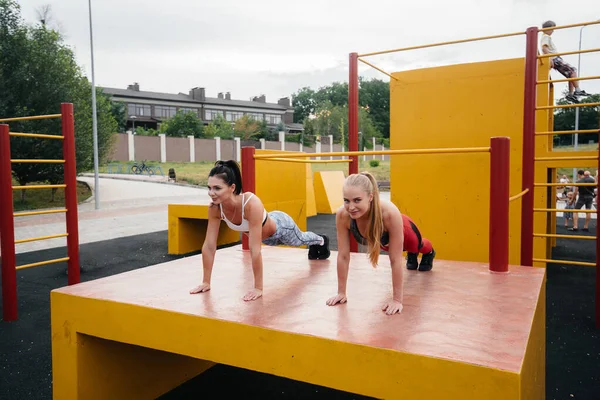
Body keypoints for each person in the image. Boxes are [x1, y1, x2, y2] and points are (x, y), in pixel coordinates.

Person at [190, 160, 330, 301]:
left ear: (232, 187)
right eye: (209, 188)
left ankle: (321, 240)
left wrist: (258, 288)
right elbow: (209, 246)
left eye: (217, 188)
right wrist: (206, 282)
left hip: (281, 227)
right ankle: (318, 242)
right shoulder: (215, 208)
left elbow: (255, 250)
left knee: (300, 240)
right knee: (297, 241)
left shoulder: (250, 203)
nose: (211, 193)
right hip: (266, 237)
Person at [326, 172, 436, 315]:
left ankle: (429, 252)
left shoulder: (389, 214)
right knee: (404, 255)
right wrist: (341, 292)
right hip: (383, 242)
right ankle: (413, 256)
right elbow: (343, 256)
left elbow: (395, 260)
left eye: (357, 200)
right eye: (346, 200)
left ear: (370, 197)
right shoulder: (343, 215)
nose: (351, 207)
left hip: (406, 232)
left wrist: (397, 300)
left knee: (418, 246)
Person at [540, 20, 589, 103]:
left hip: (555, 58)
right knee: (573, 70)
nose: (553, 31)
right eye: (552, 29)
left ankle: (571, 94)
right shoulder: (545, 37)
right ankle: (577, 90)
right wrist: (550, 58)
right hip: (554, 58)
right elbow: (544, 48)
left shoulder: (546, 37)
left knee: (570, 74)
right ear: (547, 29)